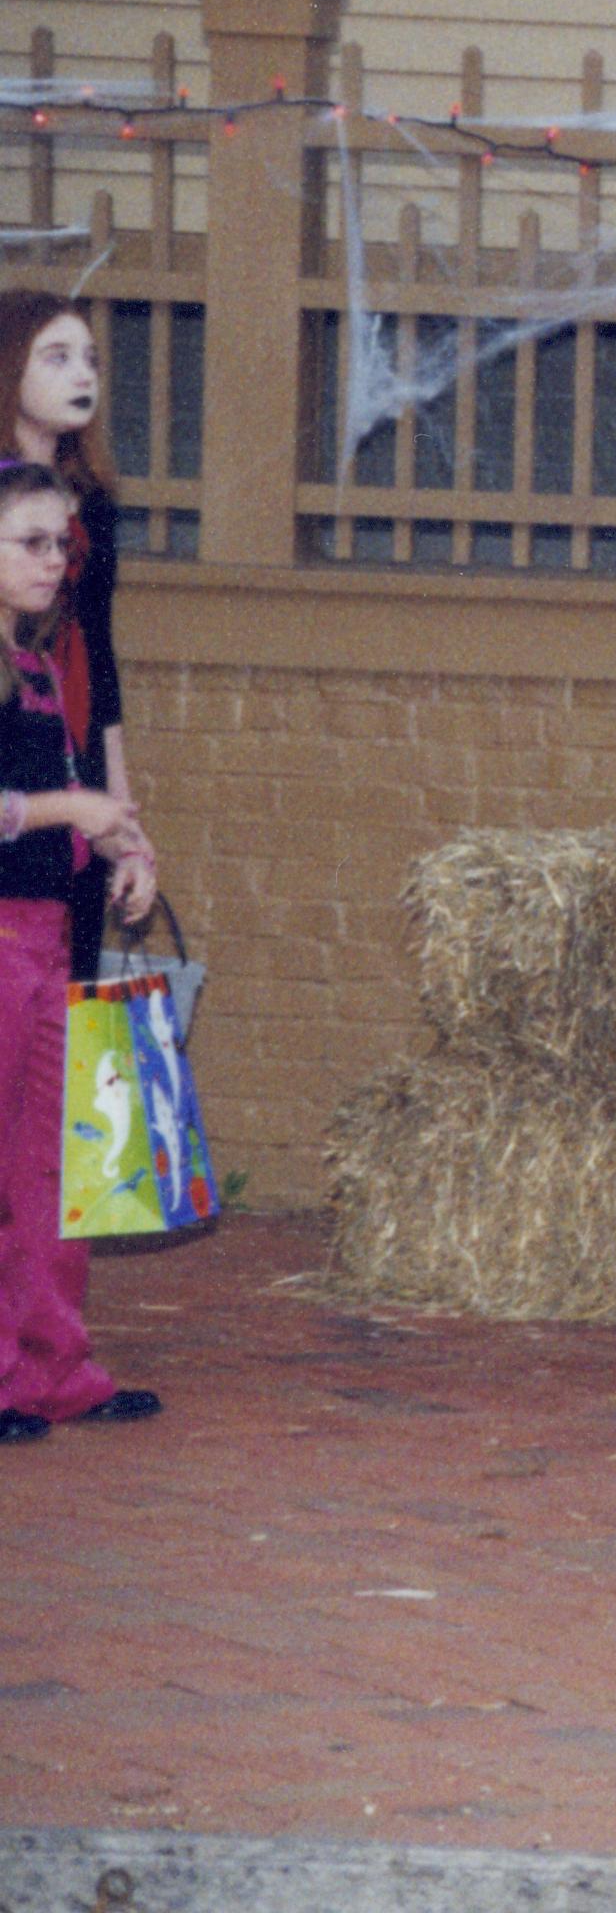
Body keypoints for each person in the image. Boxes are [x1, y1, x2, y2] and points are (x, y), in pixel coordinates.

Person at [0, 460, 162, 1440]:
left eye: (62, 544)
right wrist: (71, 809)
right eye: (29, 542)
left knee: (52, 1165)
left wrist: (120, 843)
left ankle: (52, 1362)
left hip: (50, 929)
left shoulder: (36, 662)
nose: (54, 560)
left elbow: (58, 798)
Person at [0, 292, 141, 979]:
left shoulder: (96, 506)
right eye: (56, 358)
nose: (82, 374)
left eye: (90, 359)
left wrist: (123, 823)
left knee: (70, 990)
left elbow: (100, 659)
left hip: (72, 740)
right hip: (13, 747)